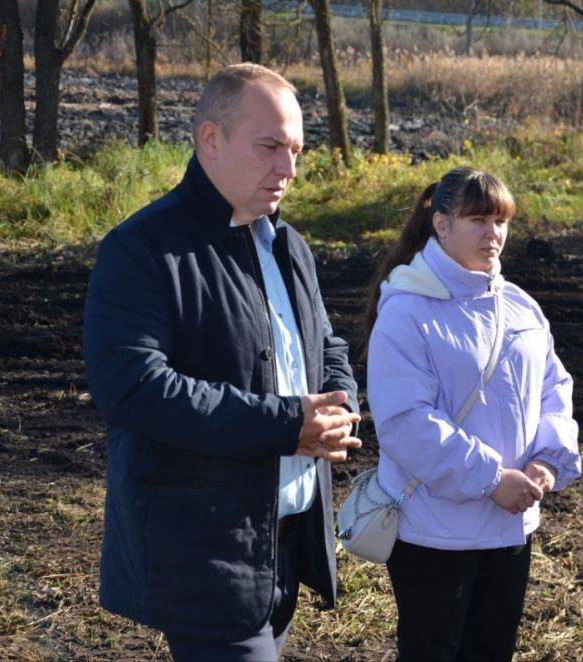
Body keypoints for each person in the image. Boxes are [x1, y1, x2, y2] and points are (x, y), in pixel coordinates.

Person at [83, 63, 362, 661]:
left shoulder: (288, 245)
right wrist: (288, 424)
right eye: (270, 147)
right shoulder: (142, 249)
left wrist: (341, 406)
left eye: (295, 151)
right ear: (211, 139)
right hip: (205, 550)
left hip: (285, 544)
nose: (288, 170)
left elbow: (325, 344)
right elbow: (132, 387)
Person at [363, 167, 582, 661]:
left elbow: (556, 387)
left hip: (510, 526)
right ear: (441, 224)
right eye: (478, 219)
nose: (494, 234)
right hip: (434, 534)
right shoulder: (407, 311)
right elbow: (406, 423)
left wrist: (548, 459)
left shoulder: (522, 307)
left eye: (501, 220)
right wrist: (490, 479)